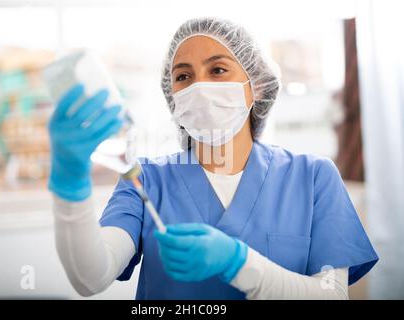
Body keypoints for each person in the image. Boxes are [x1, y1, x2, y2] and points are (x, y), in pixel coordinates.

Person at [49, 17, 378, 300]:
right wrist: (69, 183)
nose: (200, 87)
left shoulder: (313, 176)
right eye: (183, 76)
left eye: (218, 70)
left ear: (257, 86)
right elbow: (90, 276)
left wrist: (239, 263)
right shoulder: (145, 179)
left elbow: (332, 293)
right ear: (172, 96)